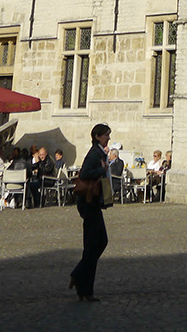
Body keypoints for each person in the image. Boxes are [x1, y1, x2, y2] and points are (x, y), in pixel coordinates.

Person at [70, 123, 111, 302]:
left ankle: (81, 281)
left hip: (93, 203)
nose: (108, 138)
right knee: (95, 243)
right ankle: (83, 285)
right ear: (97, 136)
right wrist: (102, 169)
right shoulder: (95, 153)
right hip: (89, 203)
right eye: (106, 135)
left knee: (97, 243)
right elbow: (85, 173)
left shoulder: (100, 152)